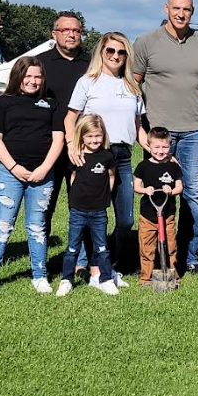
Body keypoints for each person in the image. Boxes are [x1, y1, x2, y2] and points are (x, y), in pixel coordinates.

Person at [133, 0, 198, 274]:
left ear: (192, 12)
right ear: (166, 8)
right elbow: (135, 83)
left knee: (191, 193)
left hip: (194, 131)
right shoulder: (146, 42)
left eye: (187, 9)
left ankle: (190, 257)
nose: (181, 14)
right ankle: (156, 253)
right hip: (159, 134)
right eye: (176, 8)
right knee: (156, 191)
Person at [66, 32, 148, 284]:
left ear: (127, 56)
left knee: (125, 220)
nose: (115, 56)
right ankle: (94, 270)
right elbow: (70, 119)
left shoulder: (132, 86)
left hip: (122, 157)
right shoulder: (87, 82)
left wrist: (158, 154)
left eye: (121, 52)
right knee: (93, 215)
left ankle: (110, 266)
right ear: (101, 52)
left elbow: (138, 128)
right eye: (110, 51)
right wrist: (72, 145)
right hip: (94, 157)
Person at [0, 58, 64, 296]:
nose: (33, 81)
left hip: (43, 176)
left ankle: (39, 276)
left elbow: (58, 138)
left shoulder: (50, 103)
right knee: (3, 226)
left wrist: (45, 168)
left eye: (37, 76)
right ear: (18, 76)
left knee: (37, 228)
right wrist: (14, 167)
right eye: (28, 76)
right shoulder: (5, 103)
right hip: (10, 175)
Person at [35, 11, 91, 239]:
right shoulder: (41, 63)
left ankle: (79, 257)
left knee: (80, 202)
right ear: (54, 34)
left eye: (76, 31)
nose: (71, 35)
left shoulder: (91, 64)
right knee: (44, 202)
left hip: (82, 144)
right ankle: (41, 254)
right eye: (65, 30)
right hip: (48, 143)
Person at [57, 115, 119, 297]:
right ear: (82, 136)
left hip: (99, 211)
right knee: (72, 248)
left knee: (101, 248)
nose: (94, 140)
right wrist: (74, 200)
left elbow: (111, 175)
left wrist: (105, 195)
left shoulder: (107, 156)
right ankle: (66, 280)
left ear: (103, 136)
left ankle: (105, 280)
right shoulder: (77, 156)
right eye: (90, 136)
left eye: (98, 136)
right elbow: (73, 178)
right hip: (78, 211)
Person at [133, 127, 184, 287]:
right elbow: (136, 187)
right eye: (156, 147)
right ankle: (146, 278)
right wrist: (145, 190)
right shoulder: (143, 166)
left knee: (170, 246)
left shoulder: (173, 167)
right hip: (147, 215)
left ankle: (172, 275)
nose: (160, 151)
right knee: (147, 248)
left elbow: (180, 187)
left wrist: (171, 191)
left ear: (170, 147)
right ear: (149, 146)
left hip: (167, 214)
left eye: (164, 147)